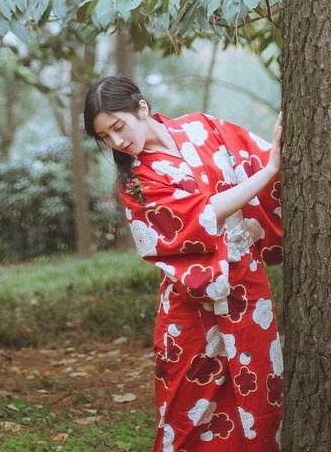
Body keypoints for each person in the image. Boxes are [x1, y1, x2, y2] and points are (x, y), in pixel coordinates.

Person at [84, 75, 283, 452]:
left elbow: (258, 154)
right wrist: (269, 172)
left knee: (260, 396)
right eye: (106, 137)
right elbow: (202, 216)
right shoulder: (135, 182)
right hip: (190, 306)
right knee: (187, 412)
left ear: (141, 108)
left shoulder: (203, 127)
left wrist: (274, 161)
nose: (117, 142)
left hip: (247, 290)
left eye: (118, 127)